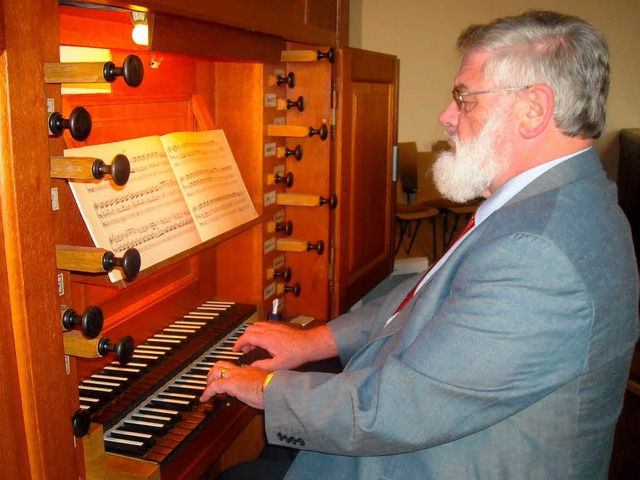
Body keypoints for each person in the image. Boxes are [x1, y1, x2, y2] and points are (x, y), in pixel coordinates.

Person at [201, 10, 639, 479]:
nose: (447, 116)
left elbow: (394, 410)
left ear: (534, 108)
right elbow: (422, 296)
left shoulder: (538, 249)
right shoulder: (547, 201)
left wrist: (265, 388)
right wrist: (314, 341)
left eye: (464, 99)